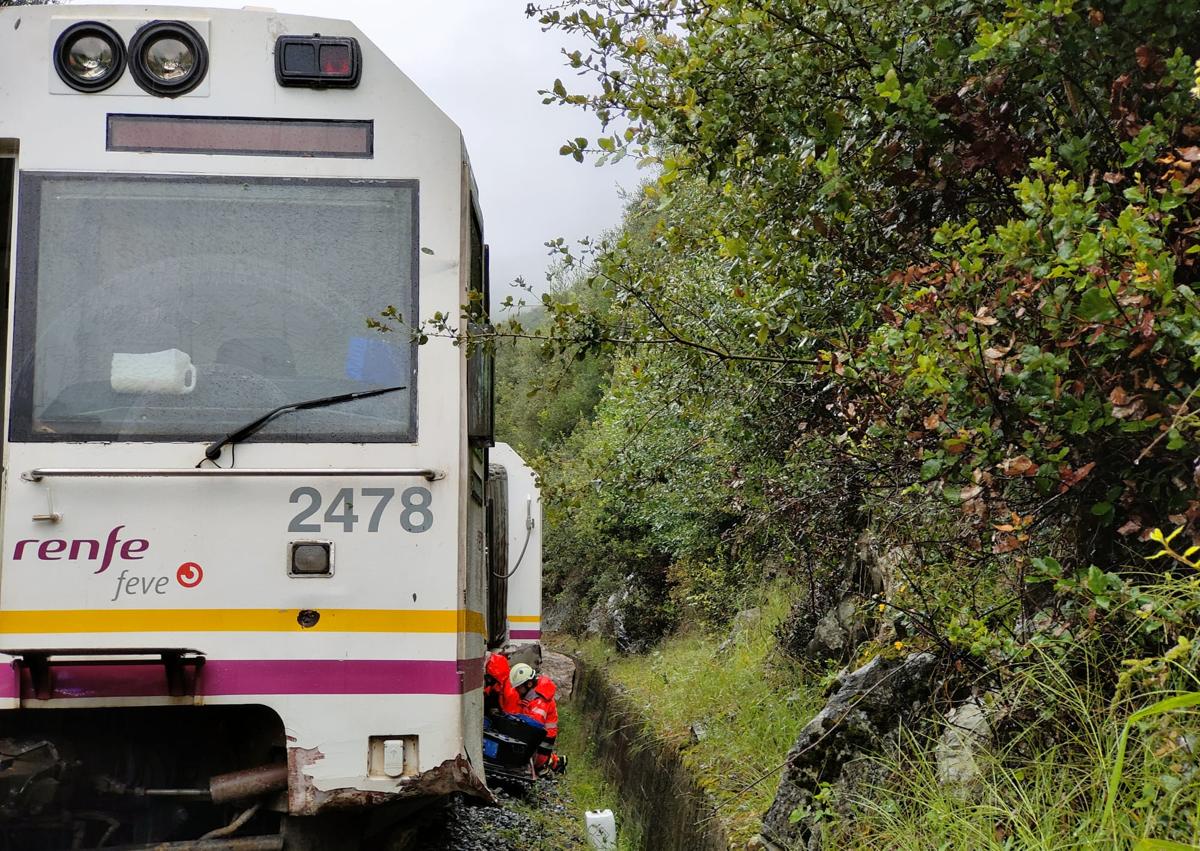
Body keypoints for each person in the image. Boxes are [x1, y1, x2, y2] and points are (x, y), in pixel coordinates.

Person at [510, 664, 566, 775]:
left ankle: (553, 763)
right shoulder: (532, 695)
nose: (517, 691)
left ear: (529, 684)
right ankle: (555, 761)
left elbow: (533, 726)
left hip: (544, 739)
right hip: (540, 735)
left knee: (537, 762)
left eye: (519, 688)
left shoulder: (539, 702)